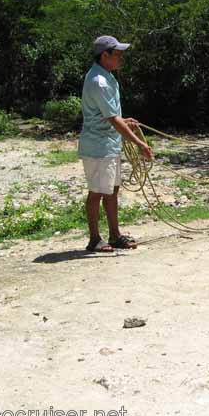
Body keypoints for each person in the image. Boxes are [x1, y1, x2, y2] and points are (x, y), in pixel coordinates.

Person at [78, 35, 154, 253]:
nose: (121, 58)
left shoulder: (106, 77)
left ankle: (114, 234)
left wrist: (124, 122)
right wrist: (140, 143)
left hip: (108, 144)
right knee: (97, 192)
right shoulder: (98, 81)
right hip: (98, 147)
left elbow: (111, 115)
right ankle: (94, 239)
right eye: (117, 54)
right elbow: (112, 118)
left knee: (112, 190)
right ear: (105, 55)